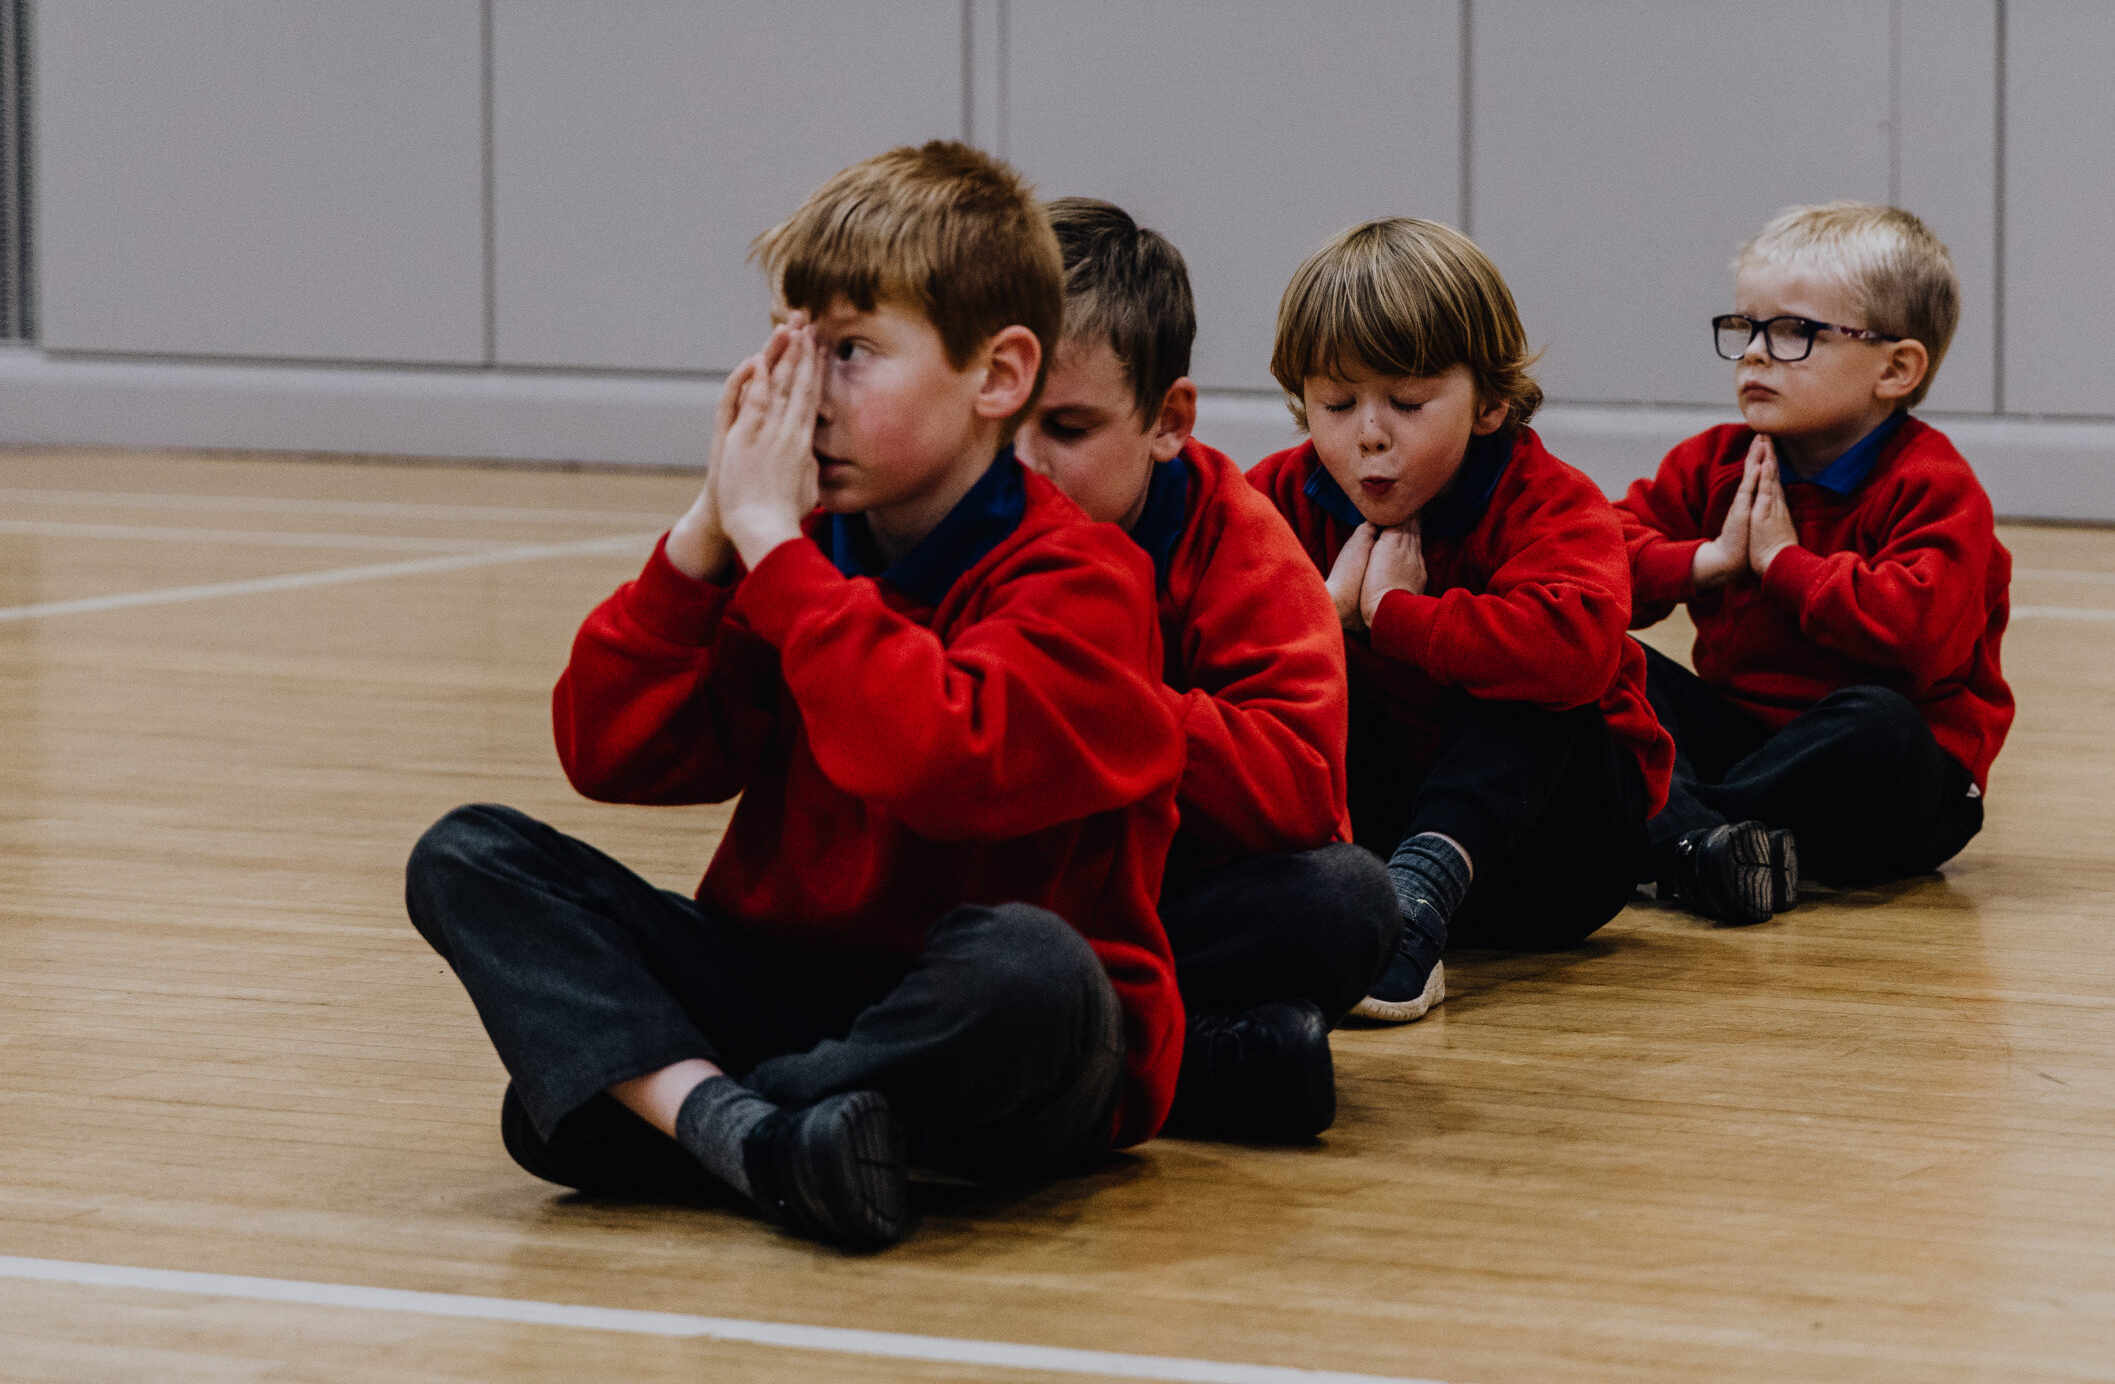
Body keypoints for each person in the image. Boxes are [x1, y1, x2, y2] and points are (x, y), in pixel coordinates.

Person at [404, 143, 1185, 1251]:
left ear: (998, 377)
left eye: (853, 350)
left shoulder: (1088, 580)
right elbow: (613, 752)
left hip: (995, 1034)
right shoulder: (796, 550)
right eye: (790, 341)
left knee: (1033, 971)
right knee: (469, 853)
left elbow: (934, 760)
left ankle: (695, 1114)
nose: (802, 388)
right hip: (797, 987)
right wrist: (706, 532)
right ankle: (771, 1138)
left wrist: (775, 548)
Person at [1015, 199, 1396, 1139]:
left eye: (1066, 427)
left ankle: (1106, 1060)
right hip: (988, 908)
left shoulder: (1237, 540)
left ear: (1167, 420)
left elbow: (1303, 791)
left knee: (1346, 902)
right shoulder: (942, 515)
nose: (1022, 465)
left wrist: (1111, 700)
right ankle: (1197, 1071)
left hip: (1158, 907)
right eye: (996, 419)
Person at [1249, 218, 1672, 1024]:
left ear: (1490, 403)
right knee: (1283, 674)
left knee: (1529, 669)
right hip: (1377, 835)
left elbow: (1579, 650)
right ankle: (1381, 905)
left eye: (1406, 402)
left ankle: (1419, 897)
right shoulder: (1272, 497)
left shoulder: (1547, 498)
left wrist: (1400, 617)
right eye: (1335, 402)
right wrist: (1327, 616)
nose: (1369, 432)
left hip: (1560, 858)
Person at [1615, 202, 2013, 923]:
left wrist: (1783, 563)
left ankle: (1675, 835)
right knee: (1607, 661)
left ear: (1896, 368)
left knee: (1879, 723)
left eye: (1796, 331)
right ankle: (1714, 847)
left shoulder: (1935, 485)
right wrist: (1706, 562)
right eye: (1745, 328)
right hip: (1746, 746)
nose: (1757, 353)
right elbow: (1597, 562)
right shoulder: (1714, 462)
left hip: (1893, 789)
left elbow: (1919, 638)